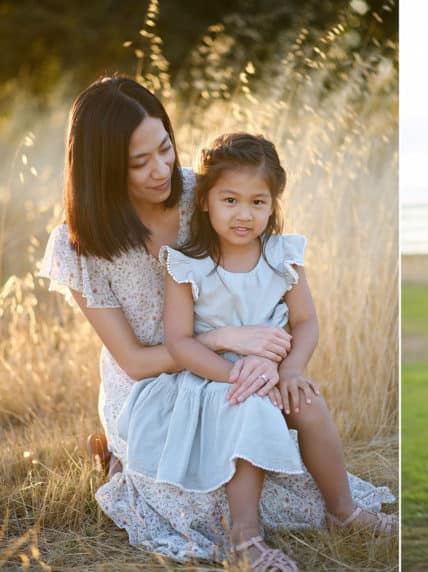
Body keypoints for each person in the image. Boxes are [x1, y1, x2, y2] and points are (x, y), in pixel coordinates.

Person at [38, 76, 394, 564]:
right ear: (102, 169)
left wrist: (272, 360)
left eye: (164, 148)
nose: (161, 169)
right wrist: (226, 339)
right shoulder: (80, 244)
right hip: (151, 380)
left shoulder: (208, 192)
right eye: (139, 163)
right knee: (200, 495)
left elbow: (265, 284)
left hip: (233, 364)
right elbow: (135, 361)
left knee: (285, 470)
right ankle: (131, 462)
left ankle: (339, 510)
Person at [119, 132, 397, 569]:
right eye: (230, 200)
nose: (244, 215)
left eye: (258, 202)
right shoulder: (188, 265)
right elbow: (179, 342)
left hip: (273, 371)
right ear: (206, 201)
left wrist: (292, 369)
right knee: (250, 407)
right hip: (211, 376)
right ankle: (246, 540)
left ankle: (343, 510)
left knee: (309, 402)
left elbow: (306, 322)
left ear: (273, 205)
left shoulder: (282, 257)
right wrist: (236, 375)